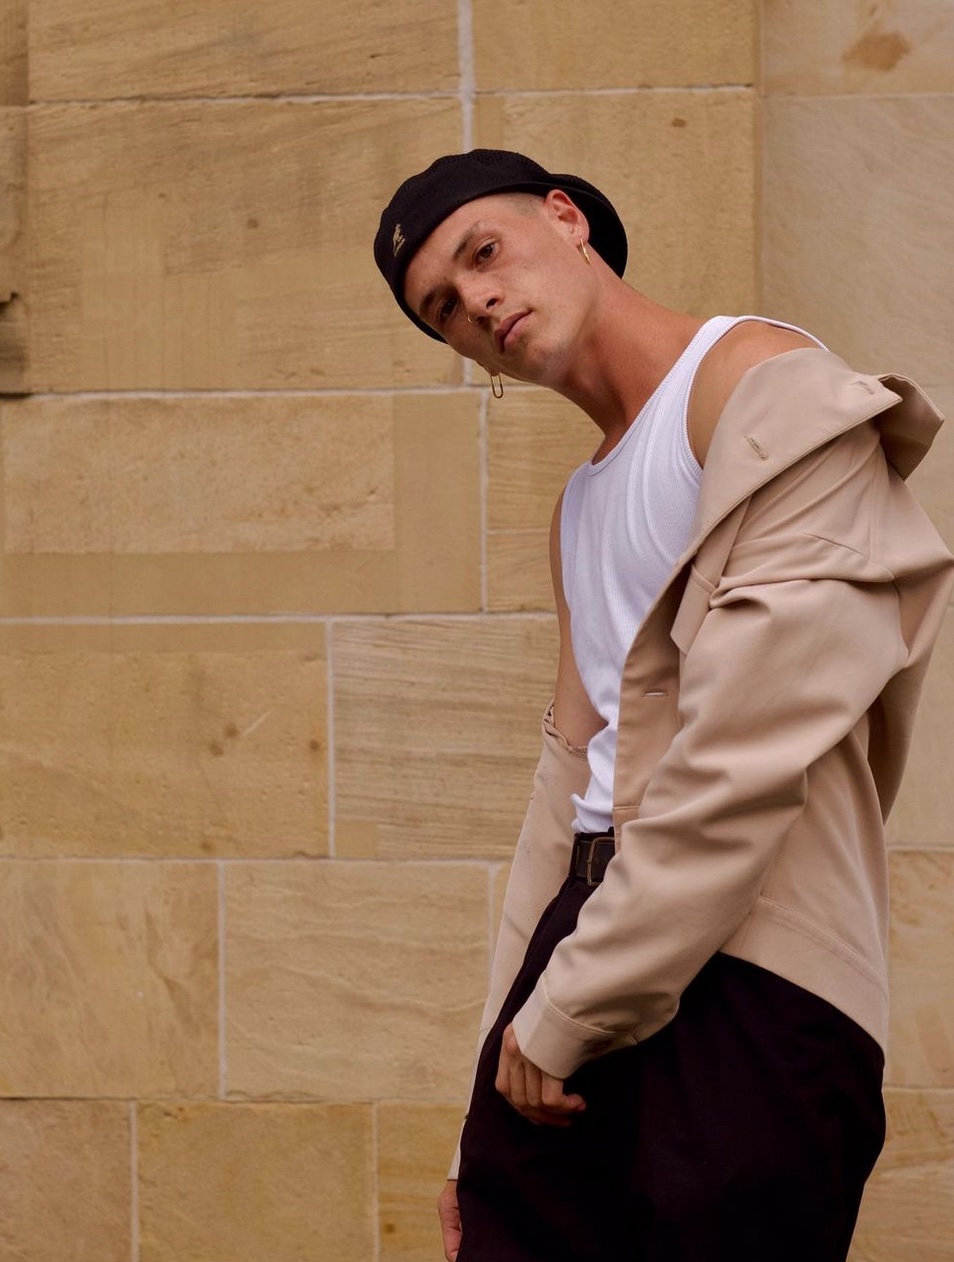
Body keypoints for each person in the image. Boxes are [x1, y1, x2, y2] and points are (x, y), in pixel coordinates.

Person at [373, 149, 953, 1262]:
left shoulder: (764, 387)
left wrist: (569, 1006)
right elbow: (562, 798)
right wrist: (485, 1091)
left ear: (566, 217)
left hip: (754, 966)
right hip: (581, 950)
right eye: (441, 306)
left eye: (484, 253)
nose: (476, 301)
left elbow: (745, 753)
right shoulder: (581, 507)